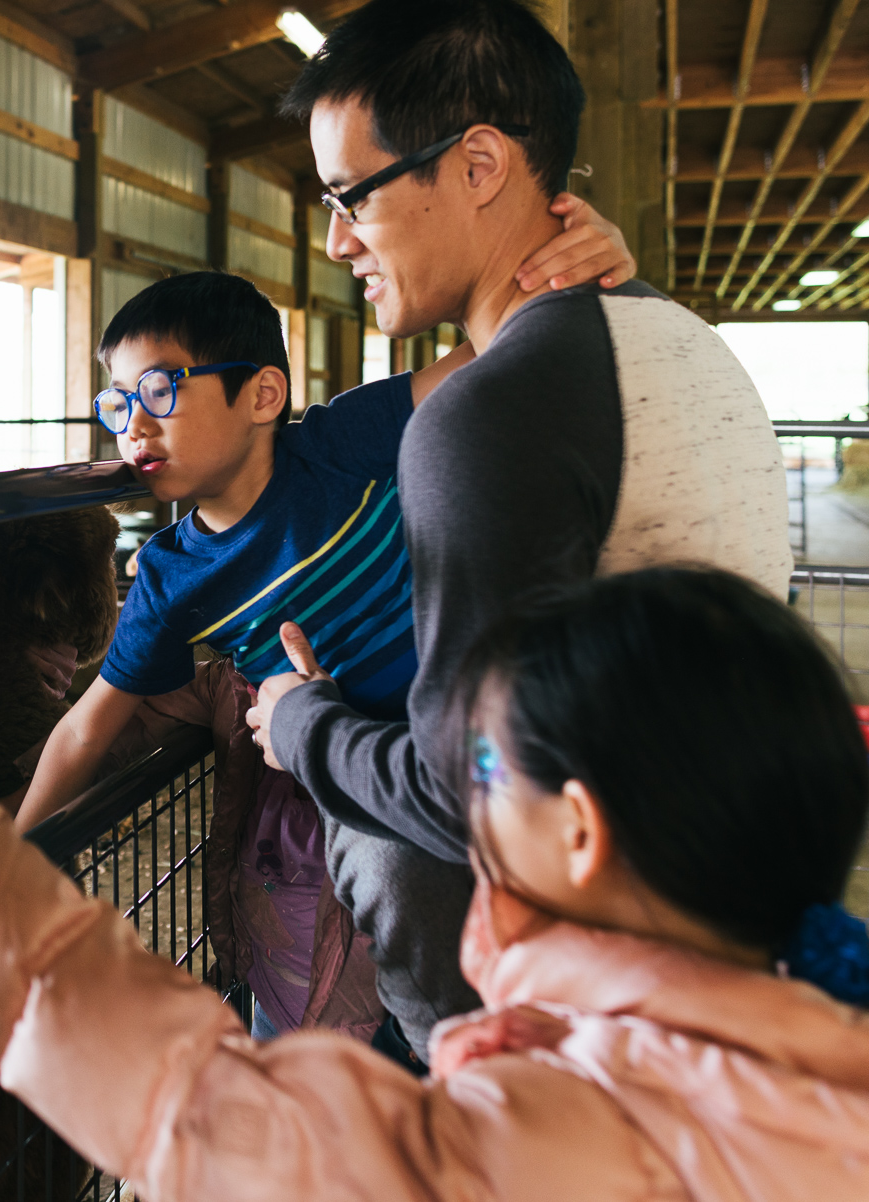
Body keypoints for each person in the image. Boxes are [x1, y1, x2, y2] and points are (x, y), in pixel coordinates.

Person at [0, 566, 869, 1201]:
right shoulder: (822, 1053)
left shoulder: (558, 1133)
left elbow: (183, 1097)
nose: (459, 786)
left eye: (483, 766)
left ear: (579, 834)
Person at [245, 0, 792, 1066]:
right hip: (724, 927)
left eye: (351, 194)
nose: (336, 238)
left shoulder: (486, 414)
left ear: (480, 162)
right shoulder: (680, 339)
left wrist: (303, 723)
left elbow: (477, 806)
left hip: (559, 1029)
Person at [13, 215, 635, 1044]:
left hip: (473, 740)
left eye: (161, 390)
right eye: (117, 402)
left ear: (263, 394)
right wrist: (12, 857)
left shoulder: (340, 442)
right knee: (392, 978)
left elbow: (489, 349)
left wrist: (595, 264)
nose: (133, 424)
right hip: (354, 780)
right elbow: (92, 726)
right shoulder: (169, 575)